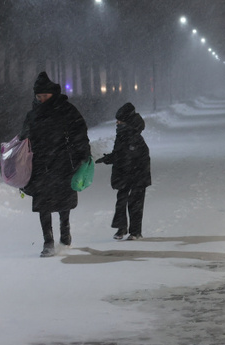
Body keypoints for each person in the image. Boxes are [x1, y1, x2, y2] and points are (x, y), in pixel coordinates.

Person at [20, 72, 90, 257]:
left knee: (62, 200)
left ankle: (65, 231)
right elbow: (24, 136)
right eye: (39, 96)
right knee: (43, 203)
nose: (42, 99)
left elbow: (79, 132)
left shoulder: (66, 110)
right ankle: (48, 241)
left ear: (53, 93)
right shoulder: (33, 114)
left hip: (63, 162)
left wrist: (83, 154)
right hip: (40, 164)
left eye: (45, 96)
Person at [96, 103, 151, 240]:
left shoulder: (133, 136)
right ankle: (122, 228)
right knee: (121, 202)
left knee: (135, 203)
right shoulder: (122, 134)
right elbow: (120, 154)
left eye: (119, 121)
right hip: (126, 174)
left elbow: (129, 155)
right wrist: (109, 158)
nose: (117, 123)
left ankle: (135, 231)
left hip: (136, 175)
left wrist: (118, 161)